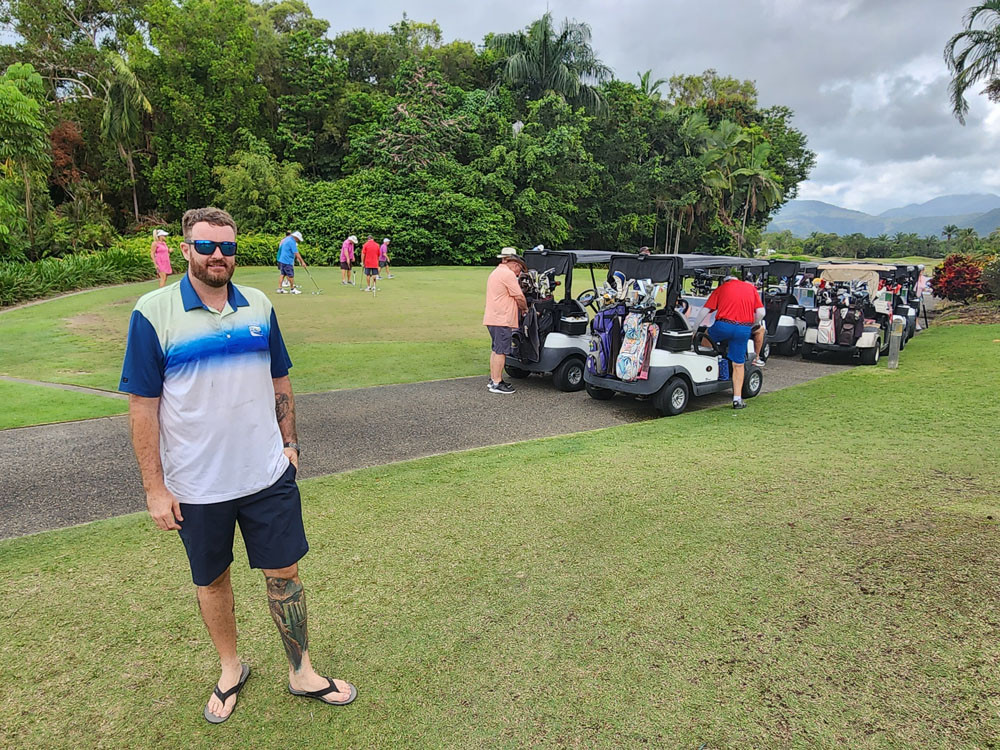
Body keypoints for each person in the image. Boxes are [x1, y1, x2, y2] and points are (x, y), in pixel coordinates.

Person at [119, 207, 356, 724]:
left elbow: (280, 378)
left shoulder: (260, 304)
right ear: (186, 250)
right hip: (197, 484)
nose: (218, 257)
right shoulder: (153, 311)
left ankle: (301, 671)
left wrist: (290, 444)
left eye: (226, 247)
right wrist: (155, 489)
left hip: (266, 473)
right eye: (205, 247)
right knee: (213, 579)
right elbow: (143, 406)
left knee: (285, 574)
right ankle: (231, 668)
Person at [694, 274, 765, 410]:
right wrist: (752, 324)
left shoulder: (722, 288)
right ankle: (737, 399)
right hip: (743, 328)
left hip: (723, 326)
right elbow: (761, 312)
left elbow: (705, 311)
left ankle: (710, 368)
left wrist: (694, 329)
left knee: (706, 337)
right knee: (738, 365)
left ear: (725, 281)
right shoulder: (751, 289)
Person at [483, 247, 528, 394]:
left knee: (496, 350)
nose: (518, 273)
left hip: (493, 317)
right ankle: (497, 383)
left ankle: (494, 379)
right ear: (514, 264)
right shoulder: (508, 274)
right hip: (502, 318)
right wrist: (524, 309)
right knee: (501, 351)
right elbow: (519, 296)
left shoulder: (496, 272)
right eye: (519, 269)